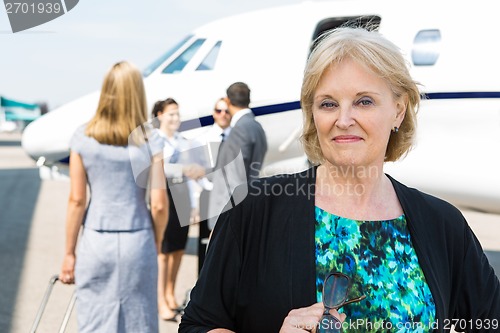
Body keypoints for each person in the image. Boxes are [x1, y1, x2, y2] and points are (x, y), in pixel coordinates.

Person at [179, 27, 500, 332]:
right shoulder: (252, 209)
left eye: (364, 101)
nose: (344, 120)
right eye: (328, 103)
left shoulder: (443, 224)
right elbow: (199, 324)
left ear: (399, 111)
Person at [59, 61, 168, 333]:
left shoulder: (83, 138)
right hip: (138, 239)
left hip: (97, 240)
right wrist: (154, 242)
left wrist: (70, 253)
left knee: (95, 321)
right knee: (139, 321)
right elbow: (158, 204)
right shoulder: (150, 140)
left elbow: (76, 200)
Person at [151, 97, 205, 321]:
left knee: (177, 249)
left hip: (182, 197)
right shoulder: (154, 141)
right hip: (164, 196)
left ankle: (170, 293)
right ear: (160, 116)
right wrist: (183, 168)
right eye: (171, 113)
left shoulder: (183, 141)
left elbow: (192, 176)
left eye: (177, 114)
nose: (175, 118)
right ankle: (160, 299)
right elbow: (156, 172)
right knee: (163, 252)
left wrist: (194, 205)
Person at [207, 82, 268, 230]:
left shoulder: (240, 129)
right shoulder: (256, 126)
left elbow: (235, 179)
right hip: (245, 207)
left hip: (229, 216)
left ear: (228, 101)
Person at [197, 97, 232, 273]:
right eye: (219, 111)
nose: (223, 115)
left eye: (226, 111)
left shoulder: (236, 137)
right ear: (213, 113)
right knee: (205, 242)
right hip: (209, 195)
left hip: (229, 196)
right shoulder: (205, 138)